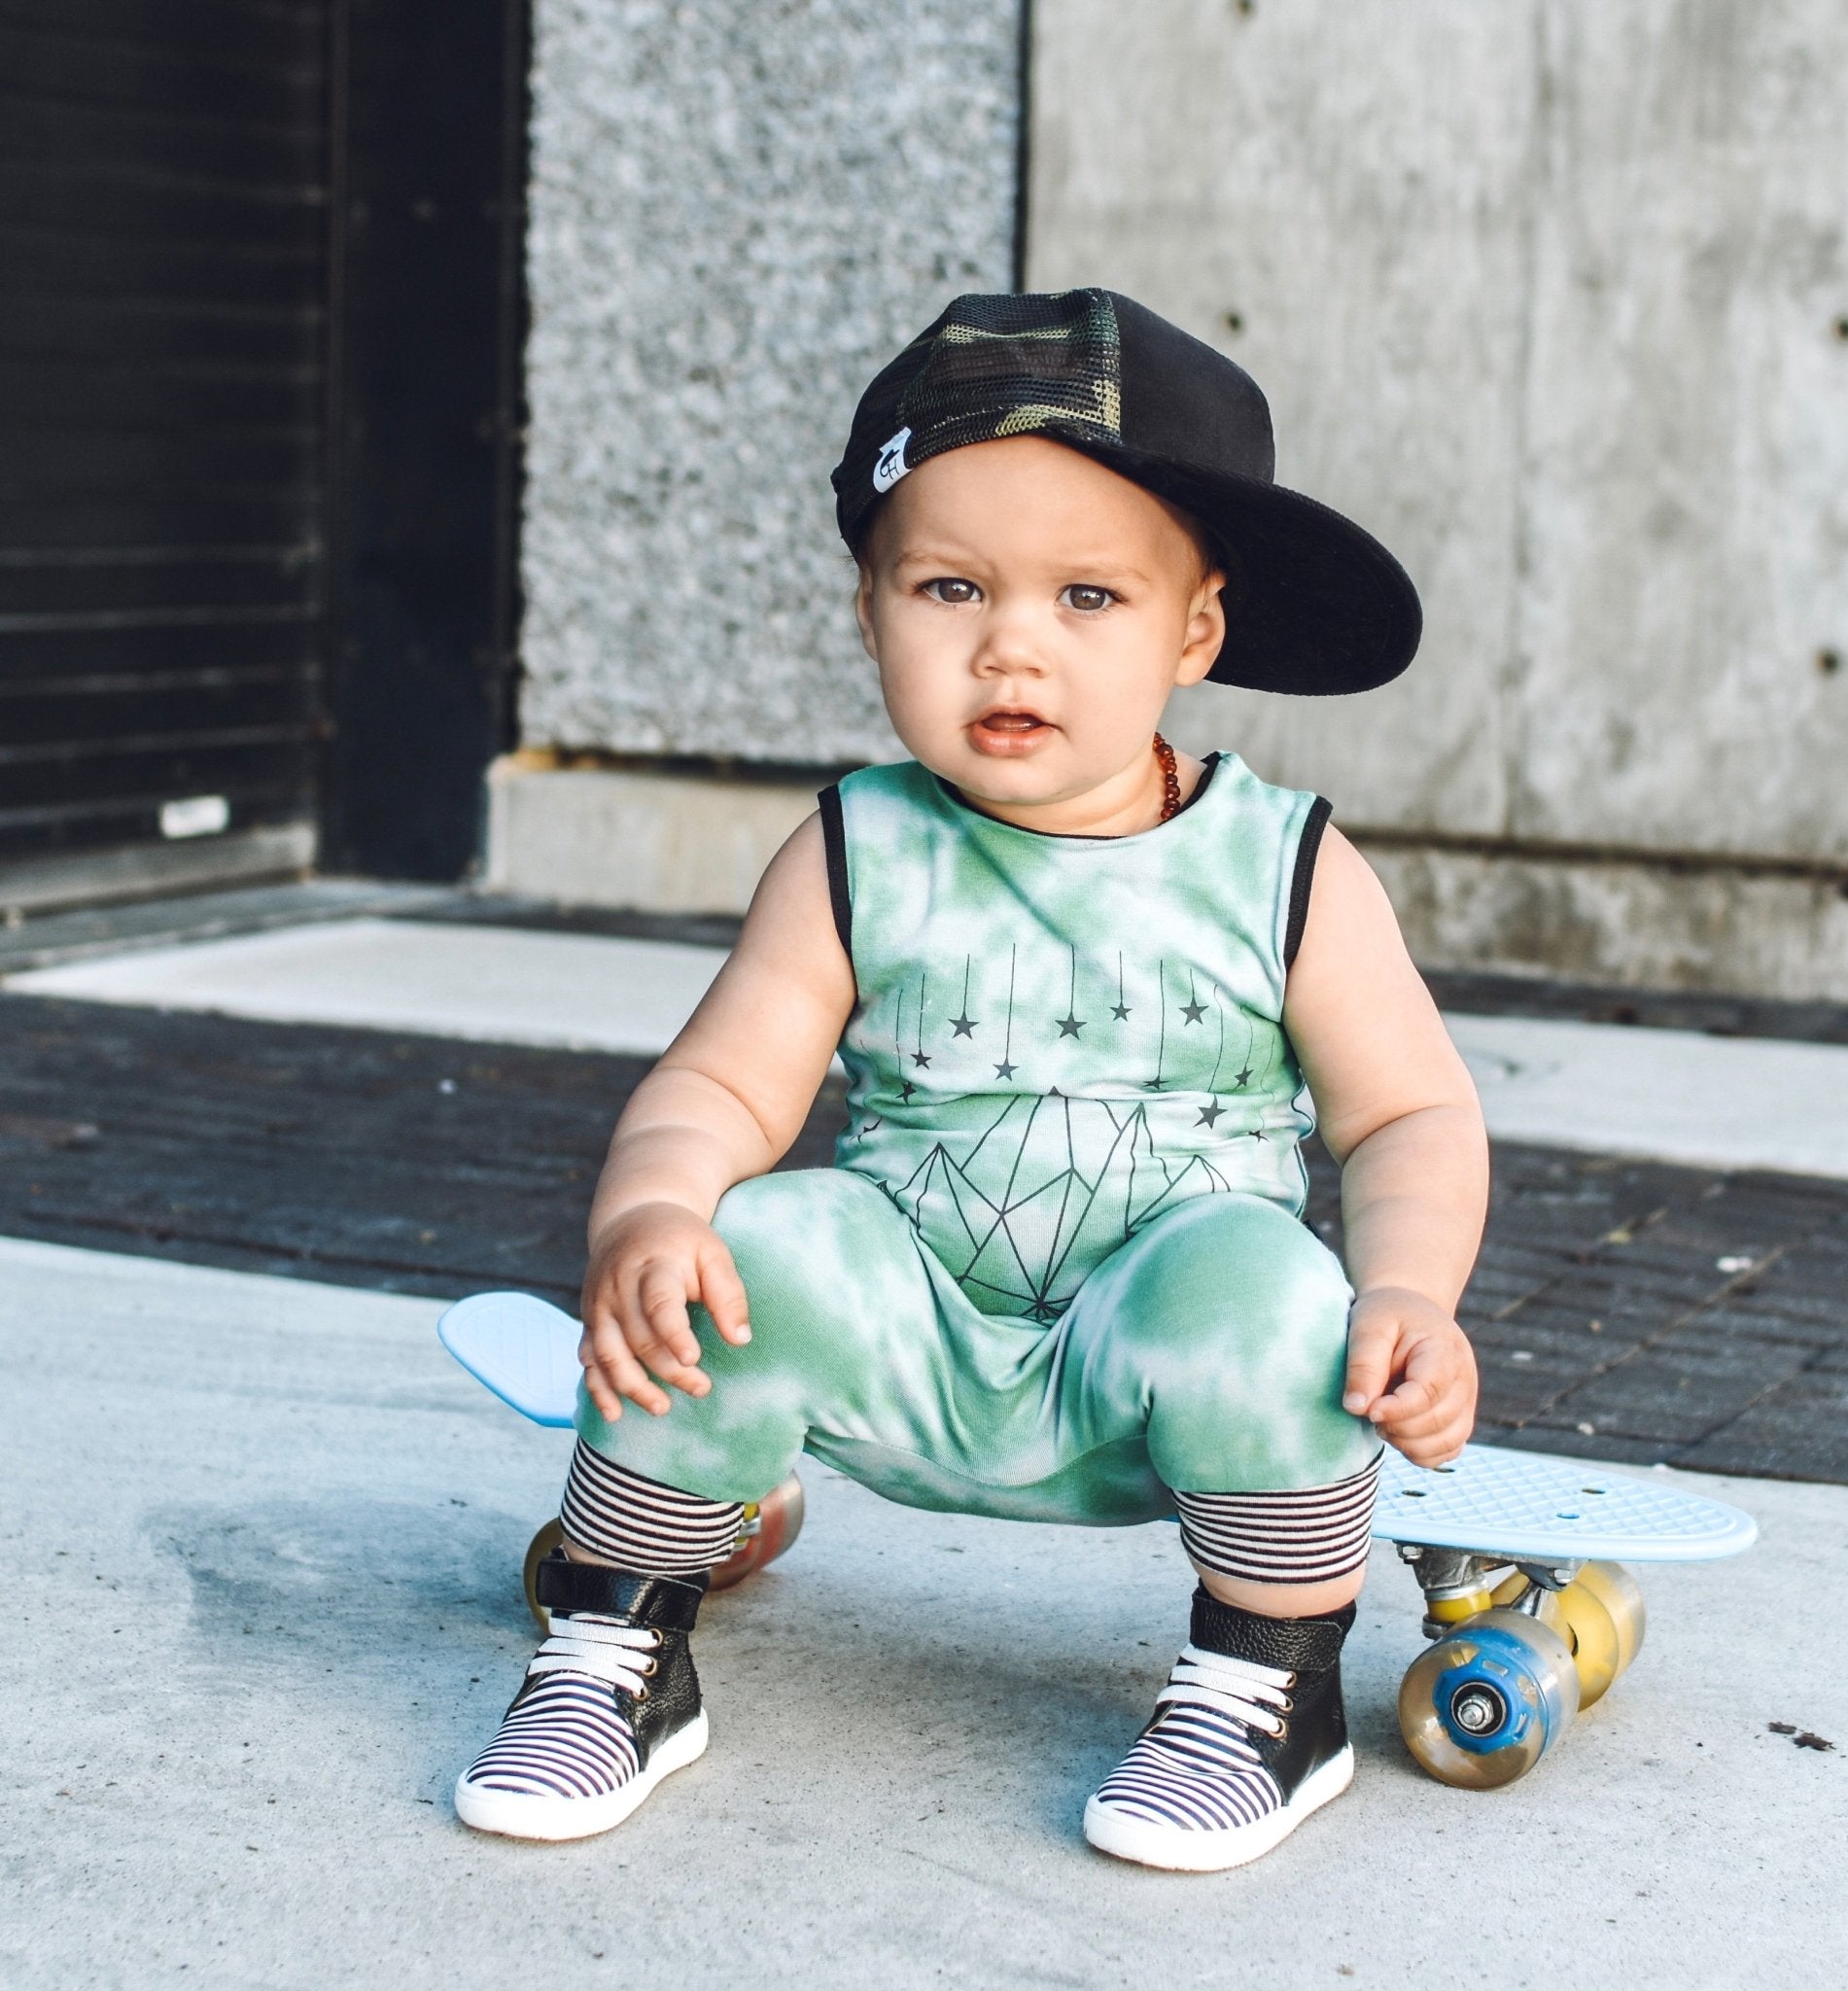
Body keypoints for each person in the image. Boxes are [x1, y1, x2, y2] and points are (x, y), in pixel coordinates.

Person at [454, 289, 1486, 1872]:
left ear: (1194, 631)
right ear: (870, 611)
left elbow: (1407, 1110)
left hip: (1158, 1371)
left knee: (1281, 1296)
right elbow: (721, 1084)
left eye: (1087, 595)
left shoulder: (1281, 865)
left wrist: (1412, 1290)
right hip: (914, 1331)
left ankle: (1266, 1692)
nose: (1010, 642)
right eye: (950, 587)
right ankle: (617, 1652)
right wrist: (652, 1211)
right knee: (755, 1247)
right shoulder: (861, 847)